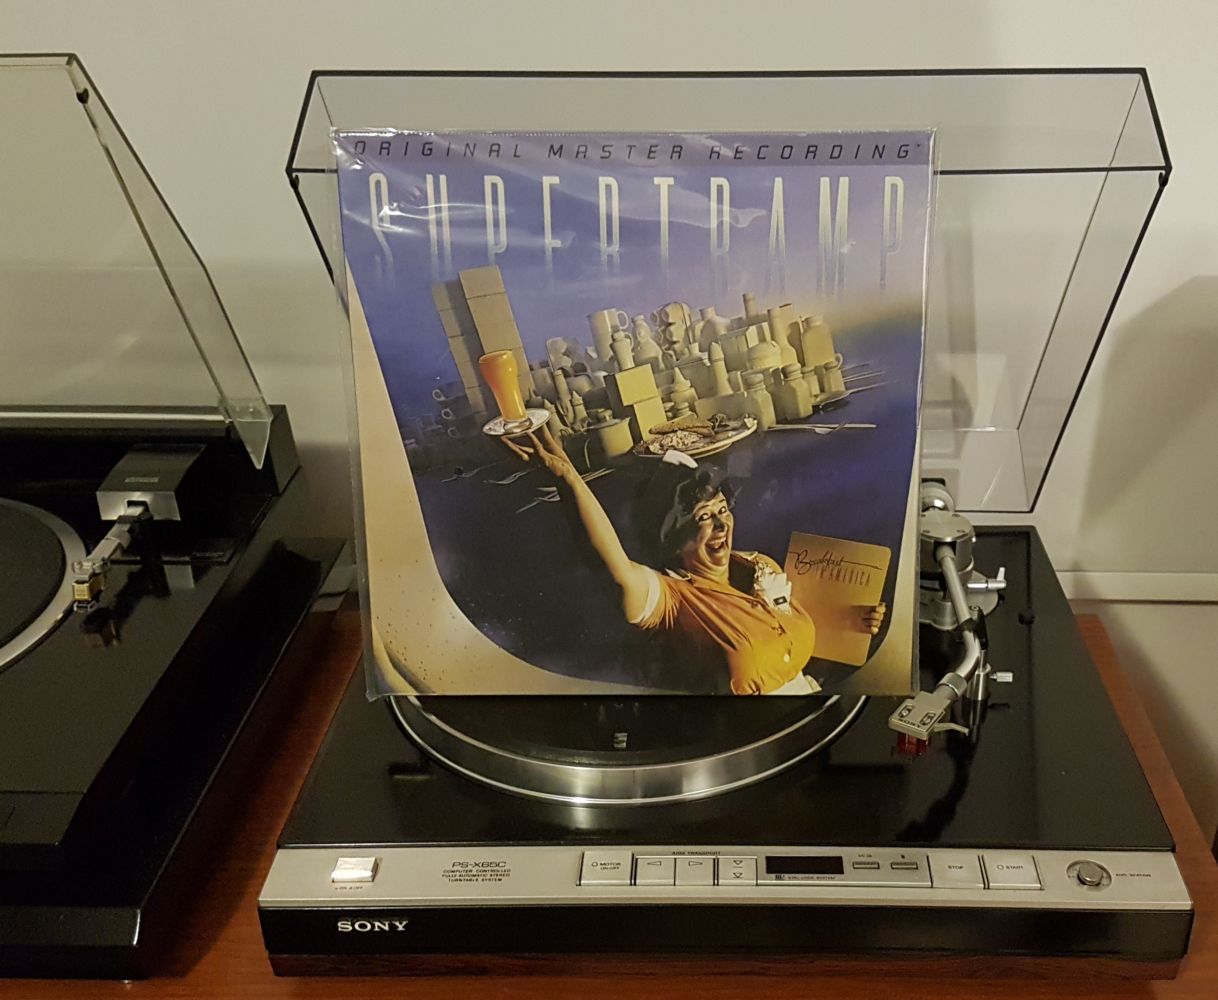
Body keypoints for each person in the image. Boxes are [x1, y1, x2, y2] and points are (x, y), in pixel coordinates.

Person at [502, 423, 884, 695]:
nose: (720, 523)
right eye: (703, 517)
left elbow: (793, 629)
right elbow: (613, 567)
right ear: (675, 539)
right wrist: (568, 478)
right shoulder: (672, 600)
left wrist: (852, 620)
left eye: (722, 509)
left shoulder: (761, 565)